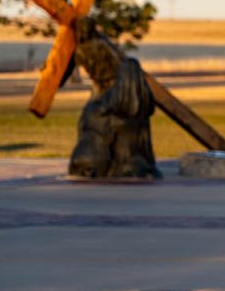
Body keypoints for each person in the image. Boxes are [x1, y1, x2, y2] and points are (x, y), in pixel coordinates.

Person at [68, 17, 160, 179]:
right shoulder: (80, 50)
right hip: (101, 85)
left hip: (113, 84)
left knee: (96, 115)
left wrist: (119, 87)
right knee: (91, 115)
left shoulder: (102, 46)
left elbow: (117, 63)